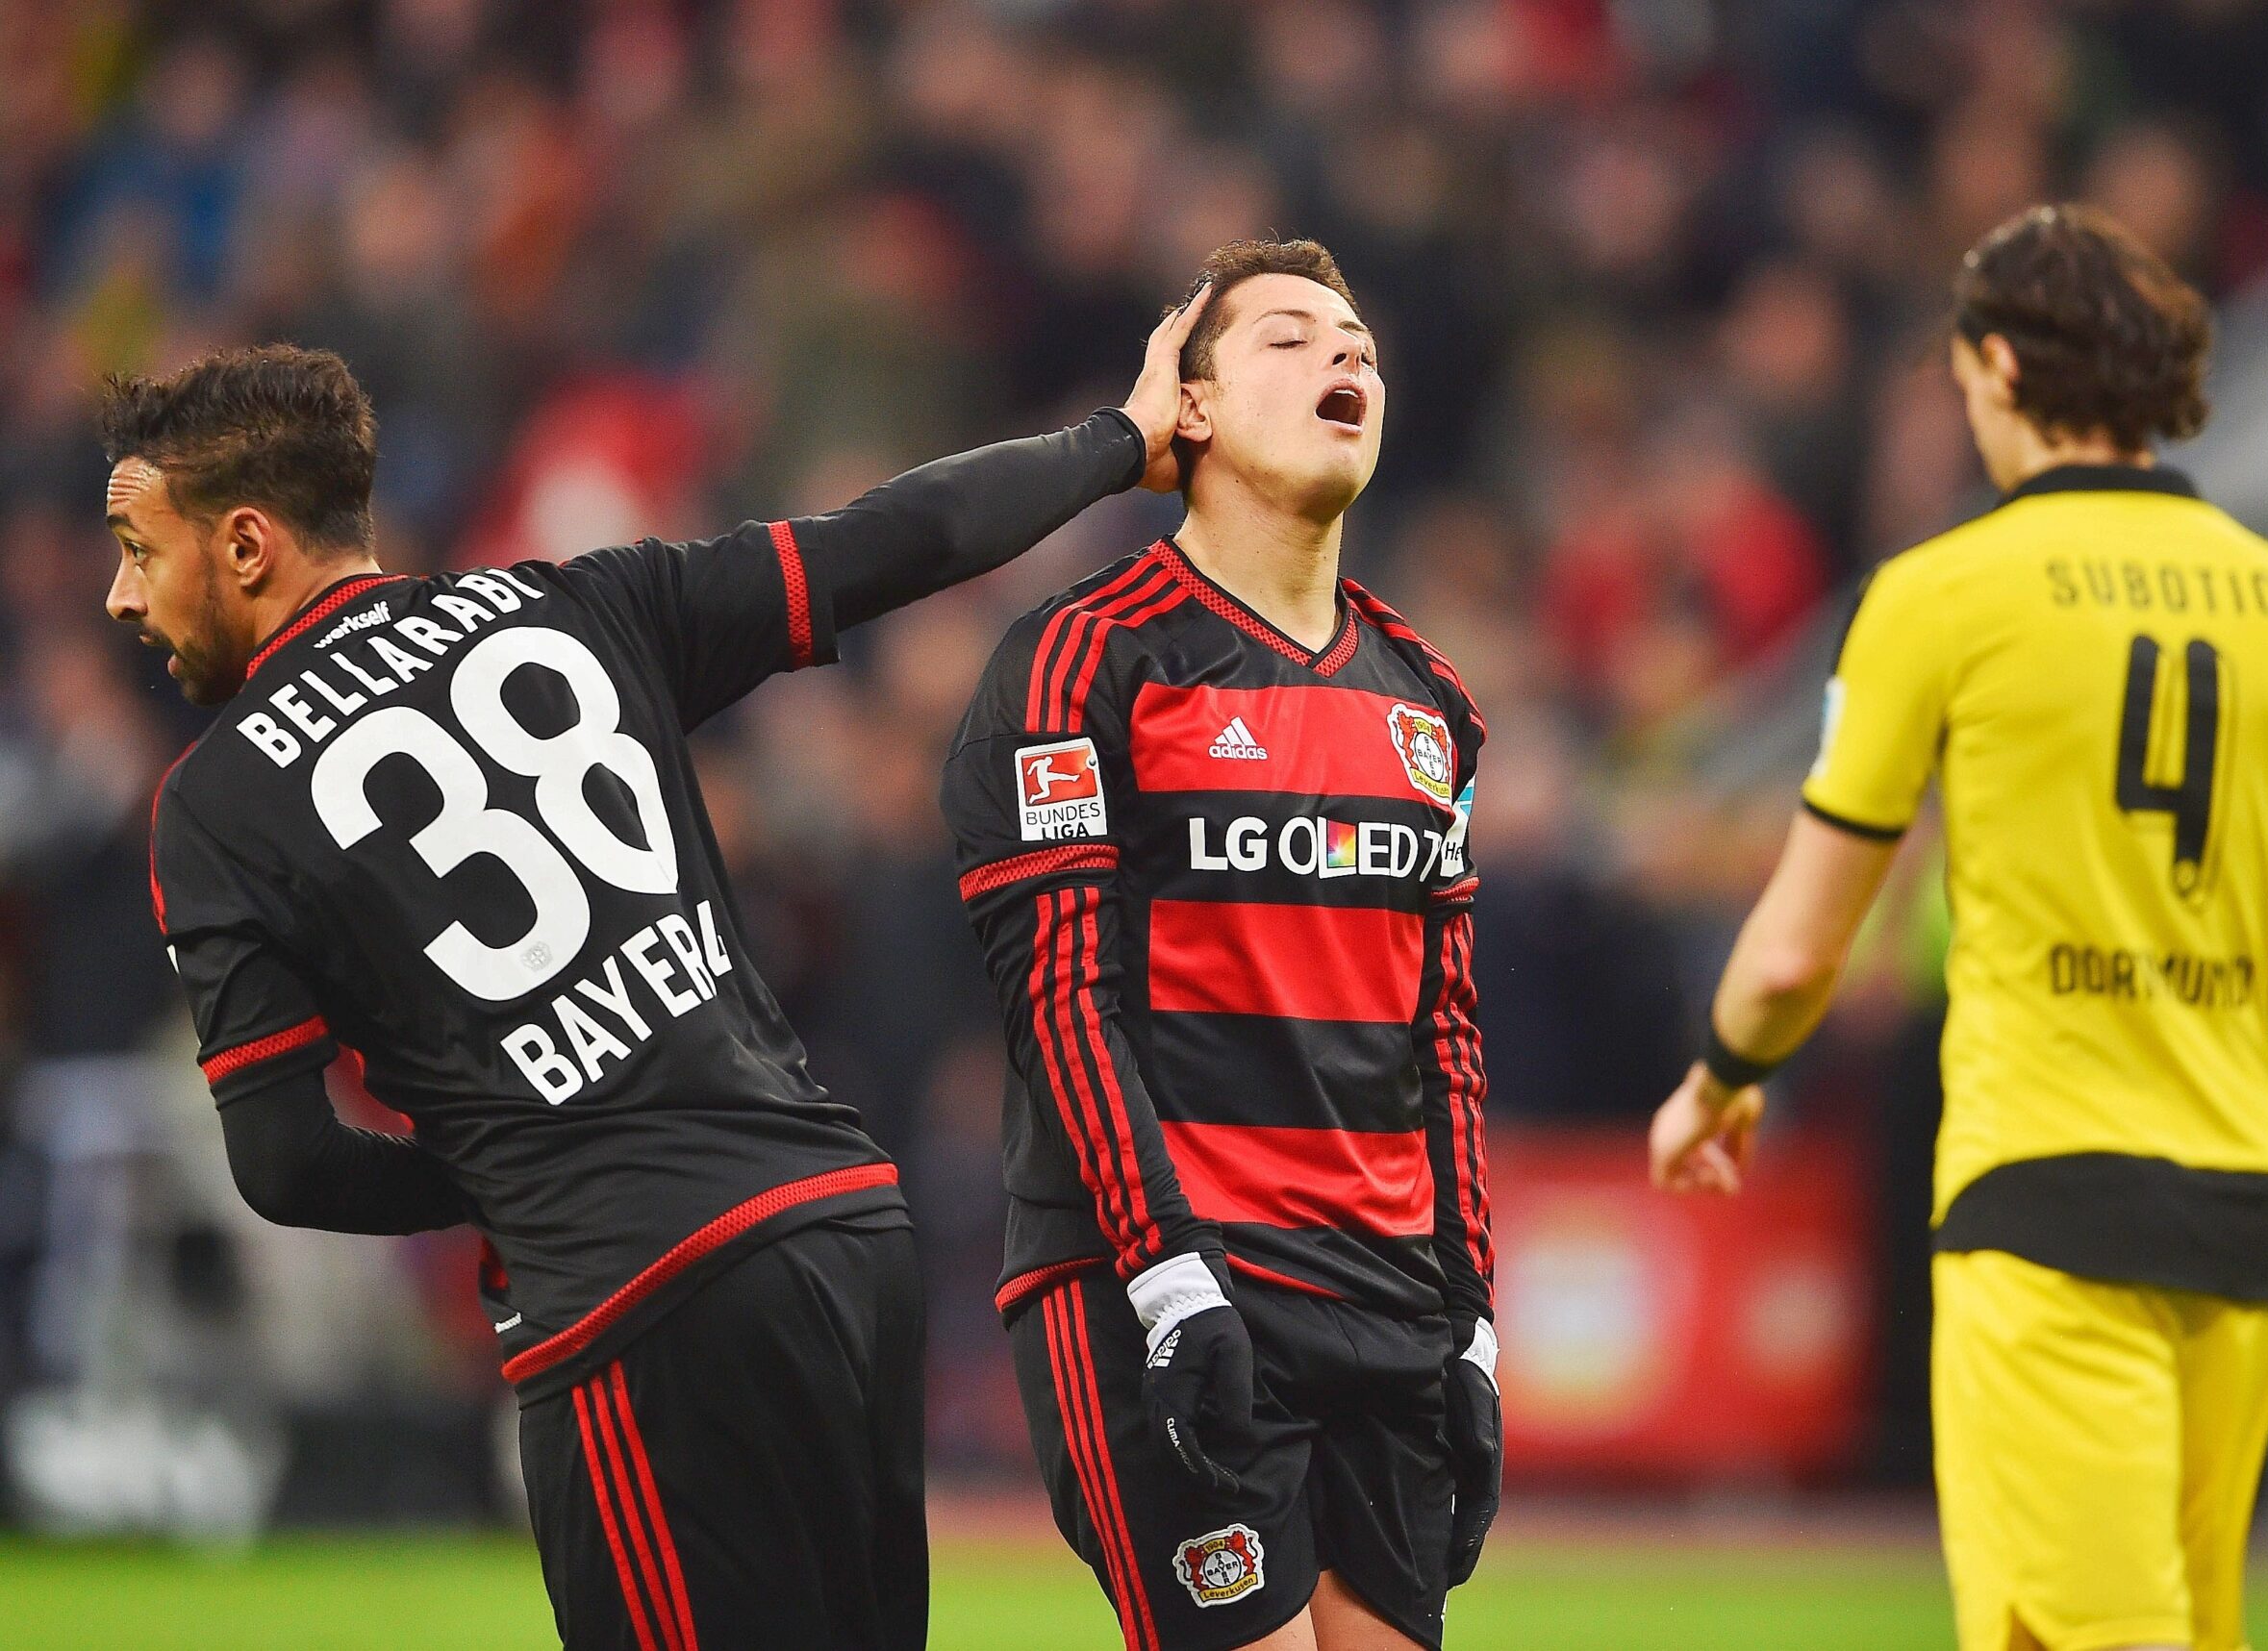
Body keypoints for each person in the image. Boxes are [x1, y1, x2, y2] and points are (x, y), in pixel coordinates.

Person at [104, 308, 1204, 1650]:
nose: (123, 597)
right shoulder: (580, 602)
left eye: (138, 552)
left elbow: (283, 1162)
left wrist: (515, 1158)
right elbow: (893, 539)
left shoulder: (215, 804)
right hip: (843, 1228)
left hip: (644, 1299)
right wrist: (1118, 443)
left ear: (245, 542)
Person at [1650, 203, 2268, 1651]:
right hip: (2251, 1233)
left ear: (1999, 366)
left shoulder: (1939, 597)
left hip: (2048, 1211)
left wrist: (1720, 1076)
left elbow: (1804, 943)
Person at [940, 239, 1499, 1651]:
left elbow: (1443, 1032)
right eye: (1292, 337)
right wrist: (1170, 1277)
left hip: (1381, 1289)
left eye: (1360, 341)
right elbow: (1060, 1003)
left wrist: (1474, 1317)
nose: (1347, 358)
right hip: (1163, 1275)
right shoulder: (1082, 660)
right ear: (1188, 410)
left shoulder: (1433, 705)